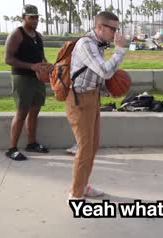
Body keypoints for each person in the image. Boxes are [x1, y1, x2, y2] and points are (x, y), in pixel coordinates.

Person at [67, 11, 127, 200]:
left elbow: (97, 75)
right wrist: (119, 51)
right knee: (84, 148)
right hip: (79, 100)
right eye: (113, 29)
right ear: (99, 27)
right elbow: (105, 71)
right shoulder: (86, 44)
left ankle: (83, 186)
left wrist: (106, 90)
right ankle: (75, 195)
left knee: (92, 147)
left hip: (91, 97)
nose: (115, 34)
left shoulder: (98, 45)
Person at [4, 4, 52, 161]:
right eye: (31, 17)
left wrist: (48, 65)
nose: (35, 20)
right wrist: (31, 66)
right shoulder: (17, 34)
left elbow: (41, 57)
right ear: (23, 17)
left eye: (37, 17)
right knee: (21, 113)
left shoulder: (38, 36)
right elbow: (8, 59)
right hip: (22, 78)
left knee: (35, 112)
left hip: (37, 78)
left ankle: (31, 143)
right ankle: (12, 149)